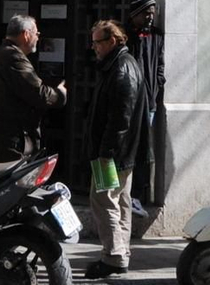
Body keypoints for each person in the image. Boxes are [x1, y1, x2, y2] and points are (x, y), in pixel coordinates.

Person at [86, 19, 145, 278]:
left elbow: (121, 118)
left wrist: (105, 153)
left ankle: (113, 256)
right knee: (119, 202)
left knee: (103, 200)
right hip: (121, 153)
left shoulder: (121, 69)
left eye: (97, 42)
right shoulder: (120, 65)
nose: (94, 47)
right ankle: (121, 253)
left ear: (112, 41)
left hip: (112, 154)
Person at [0, 14, 66, 162]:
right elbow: (38, 93)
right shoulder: (13, 57)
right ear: (26, 34)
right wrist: (60, 94)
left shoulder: (2, 54)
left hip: (4, 142)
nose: (38, 38)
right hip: (10, 144)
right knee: (13, 185)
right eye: (36, 33)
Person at [123, 0, 165, 211]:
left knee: (142, 149)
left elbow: (160, 63)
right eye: (145, 14)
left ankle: (137, 194)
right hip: (128, 103)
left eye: (152, 13)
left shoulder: (157, 35)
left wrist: (158, 83)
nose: (150, 17)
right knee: (123, 148)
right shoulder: (124, 35)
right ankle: (121, 191)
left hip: (148, 102)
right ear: (135, 15)